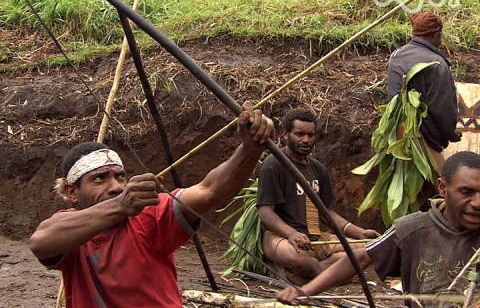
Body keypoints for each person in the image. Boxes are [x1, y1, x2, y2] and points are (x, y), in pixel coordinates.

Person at [29, 101, 274, 307]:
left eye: (120, 175)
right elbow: (40, 242)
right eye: (99, 178)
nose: (115, 186)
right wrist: (121, 206)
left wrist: (248, 151)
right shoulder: (72, 228)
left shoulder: (148, 214)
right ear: (72, 193)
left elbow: (209, 191)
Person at [277, 150, 480, 307]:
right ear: (443, 188)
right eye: (467, 192)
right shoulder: (413, 229)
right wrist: (307, 290)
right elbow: (362, 257)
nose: (477, 203)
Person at [256, 108, 380, 285]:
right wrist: (292, 234)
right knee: (302, 261)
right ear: (285, 134)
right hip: (280, 238)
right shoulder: (273, 165)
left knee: (368, 250)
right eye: (300, 134)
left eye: (310, 135)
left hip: (316, 238)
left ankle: (310, 274)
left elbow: (326, 213)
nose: (306, 139)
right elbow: (266, 213)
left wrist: (360, 233)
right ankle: (332, 270)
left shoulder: (318, 169)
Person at [387, 11, 461, 174]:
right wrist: (450, 132)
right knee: (444, 192)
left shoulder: (396, 56)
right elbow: (442, 107)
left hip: (396, 136)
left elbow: (392, 98)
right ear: (435, 34)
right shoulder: (437, 63)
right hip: (424, 139)